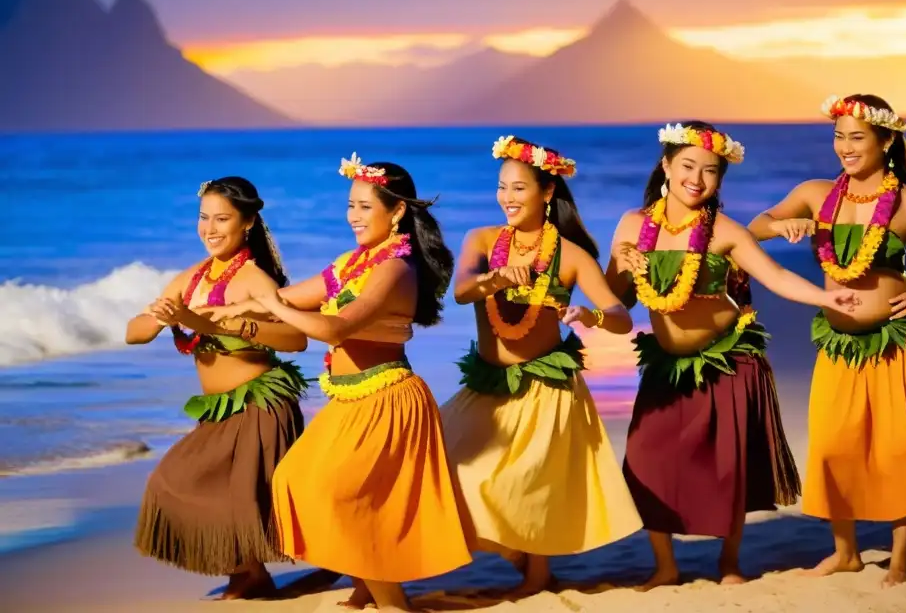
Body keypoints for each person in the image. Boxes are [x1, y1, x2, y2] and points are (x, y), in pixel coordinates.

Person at [748, 94, 906, 587]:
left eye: (856, 136)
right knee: (836, 446)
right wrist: (782, 224)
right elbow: (755, 227)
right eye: (838, 135)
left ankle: (901, 557)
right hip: (840, 345)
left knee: (899, 449)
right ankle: (847, 553)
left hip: (899, 342)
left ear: (886, 140)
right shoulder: (816, 193)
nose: (844, 146)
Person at [605, 121, 860, 587]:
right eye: (687, 166)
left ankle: (729, 563)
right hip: (667, 366)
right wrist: (620, 265)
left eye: (710, 171)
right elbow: (616, 300)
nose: (697, 179)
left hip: (727, 361)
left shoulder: (724, 231)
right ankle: (665, 566)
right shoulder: (632, 226)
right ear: (665, 165)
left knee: (727, 468)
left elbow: (776, 277)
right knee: (645, 458)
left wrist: (826, 298)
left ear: (721, 178)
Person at [212, 154, 472, 611]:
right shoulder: (353, 262)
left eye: (364, 207)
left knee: (344, 495)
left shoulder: (395, 268)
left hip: (387, 398)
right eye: (350, 205)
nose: (352, 215)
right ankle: (364, 587)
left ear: (395, 213)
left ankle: (392, 603)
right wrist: (228, 310)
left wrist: (273, 309)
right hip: (351, 399)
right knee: (295, 478)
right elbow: (291, 296)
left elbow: (335, 329)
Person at [440, 135, 643, 597]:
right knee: (450, 468)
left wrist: (590, 316)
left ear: (546, 192)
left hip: (546, 388)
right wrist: (494, 278)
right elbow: (461, 290)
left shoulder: (571, 256)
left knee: (532, 485)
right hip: (489, 384)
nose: (507, 198)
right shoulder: (483, 240)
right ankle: (515, 555)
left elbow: (620, 315)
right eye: (502, 188)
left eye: (518, 188)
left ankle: (538, 576)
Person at [126, 176, 308, 600]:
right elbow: (133, 333)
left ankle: (249, 574)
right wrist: (161, 318)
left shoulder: (253, 279)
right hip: (219, 410)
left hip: (260, 406)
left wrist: (226, 323)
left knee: (232, 500)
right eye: (203, 217)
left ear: (246, 223)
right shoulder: (190, 279)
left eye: (221, 218)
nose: (209, 227)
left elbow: (296, 339)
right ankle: (247, 572)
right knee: (172, 483)